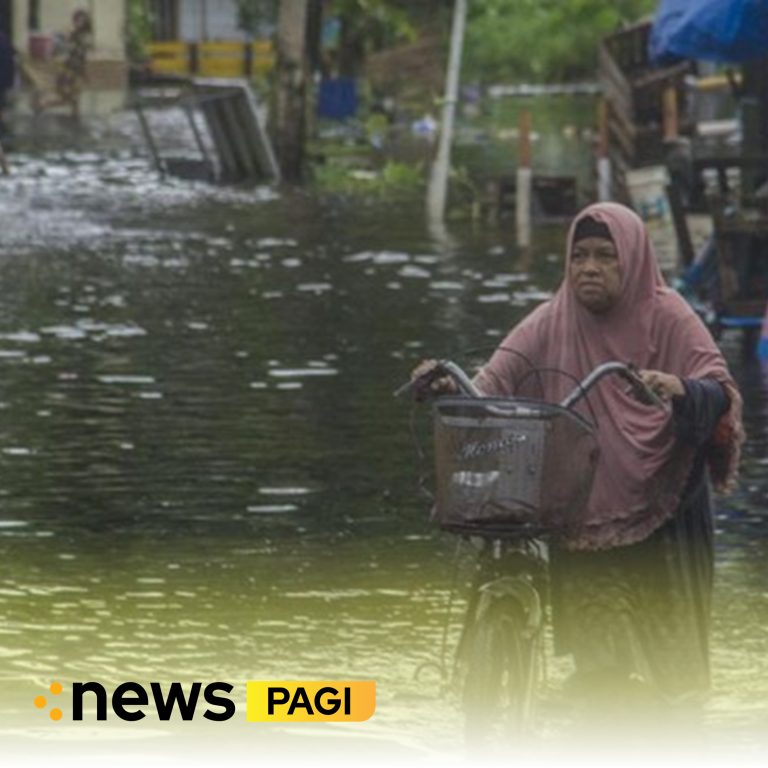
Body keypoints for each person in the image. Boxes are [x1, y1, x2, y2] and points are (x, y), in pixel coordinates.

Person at [413, 202, 744, 732]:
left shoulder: (670, 315)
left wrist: (678, 387)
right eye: (579, 256)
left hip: (664, 515)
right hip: (585, 511)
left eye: (605, 257)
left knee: (674, 687)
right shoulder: (553, 318)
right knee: (597, 675)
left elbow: (720, 392)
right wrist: (452, 384)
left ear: (631, 261)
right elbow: (496, 378)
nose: (588, 268)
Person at [36, 9, 92, 120]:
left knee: (74, 96)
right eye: (77, 20)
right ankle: (44, 104)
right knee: (66, 95)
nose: (78, 23)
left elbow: (81, 54)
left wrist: (84, 71)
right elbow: (65, 48)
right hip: (69, 67)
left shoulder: (84, 36)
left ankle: (73, 115)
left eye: (82, 20)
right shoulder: (73, 34)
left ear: (86, 22)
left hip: (77, 69)